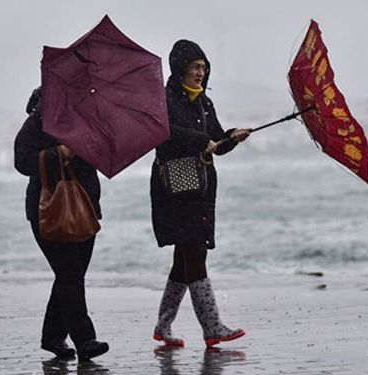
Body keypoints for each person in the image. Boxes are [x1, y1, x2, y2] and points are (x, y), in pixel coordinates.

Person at [150, 40, 251, 347]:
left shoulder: (205, 102)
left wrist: (232, 138)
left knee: (184, 258)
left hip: (201, 187)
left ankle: (162, 326)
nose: (201, 73)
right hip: (173, 190)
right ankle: (212, 326)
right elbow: (163, 133)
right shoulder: (164, 99)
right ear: (180, 68)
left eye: (204, 67)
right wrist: (199, 140)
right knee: (195, 252)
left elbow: (216, 142)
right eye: (195, 67)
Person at [14, 87, 109, 361]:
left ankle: (52, 336)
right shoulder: (43, 115)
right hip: (49, 209)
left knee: (71, 275)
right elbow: (21, 159)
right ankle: (85, 341)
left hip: (86, 206)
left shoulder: (92, 117)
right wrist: (60, 153)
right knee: (70, 274)